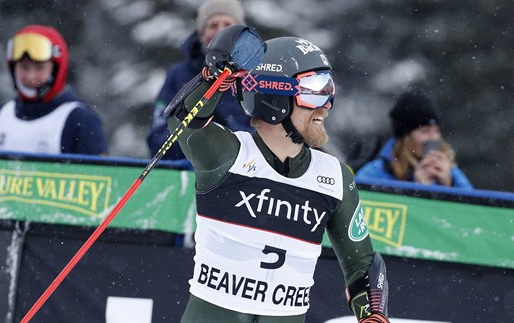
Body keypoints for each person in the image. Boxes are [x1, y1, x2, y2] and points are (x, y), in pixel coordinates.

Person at [165, 25, 390, 323]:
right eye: (314, 89)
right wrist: (211, 79)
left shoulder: (335, 178)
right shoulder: (228, 154)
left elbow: (363, 269)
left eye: (329, 89)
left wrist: (373, 315)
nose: (327, 104)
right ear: (276, 94)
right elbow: (184, 121)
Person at [147, 0, 253, 160]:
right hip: (186, 173)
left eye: (228, 25)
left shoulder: (257, 76)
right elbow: (158, 139)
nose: (221, 32)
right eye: (213, 25)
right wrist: (196, 136)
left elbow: (268, 140)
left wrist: (224, 134)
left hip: (243, 173)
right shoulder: (178, 75)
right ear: (201, 34)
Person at [0, 24, 107, 155]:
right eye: (24, 67)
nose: (31, 76)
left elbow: (100, 174)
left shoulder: (79, 119)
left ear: (56, 70)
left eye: (39, 68)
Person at [355, 89, 472, 188]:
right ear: (406, 137)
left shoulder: (449, 170)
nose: (433, 138)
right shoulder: (377, 172)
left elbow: (472, 211)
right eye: (424, 131)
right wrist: (417, 191)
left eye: (436, 131)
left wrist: (449, 186)